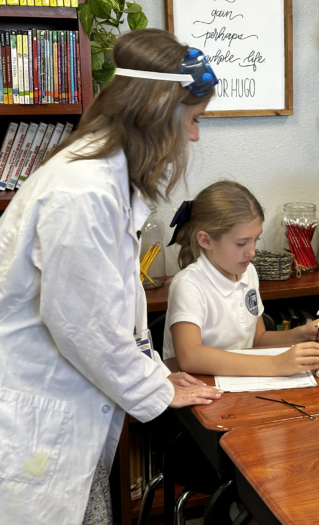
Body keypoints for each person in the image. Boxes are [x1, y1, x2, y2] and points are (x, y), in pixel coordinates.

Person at [0, 29, 222, 525]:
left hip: (64, 410)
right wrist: (157, 390)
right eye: (193, 119)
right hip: (34, 417)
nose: (194, 136)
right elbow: (85, 325)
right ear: (159, 112)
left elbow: (112, 307)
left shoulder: (105, 179)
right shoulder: (84, 191)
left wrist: (155, 372)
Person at [164, 181, 319, 376]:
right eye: (242, 243)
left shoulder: (249, 272)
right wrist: (274, 365)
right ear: (206, 240)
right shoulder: (188, 284)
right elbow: (190, 357)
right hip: (198, 391)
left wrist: (302, 334)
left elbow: (257, 339)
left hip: (239, 390)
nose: (252, 252)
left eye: (256, 239)